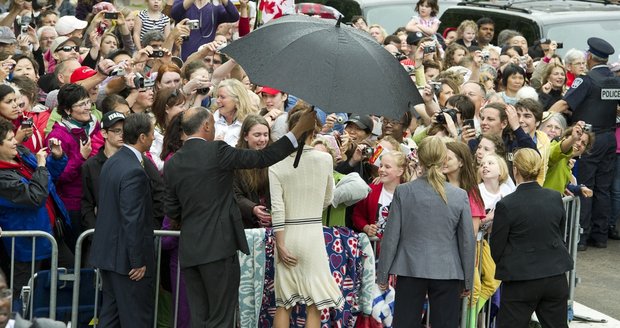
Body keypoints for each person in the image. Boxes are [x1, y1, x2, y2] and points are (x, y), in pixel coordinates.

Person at [163, 106, 316, 326]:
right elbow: (264, 157)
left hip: (190, 251)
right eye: (213, 124)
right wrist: (299, 128)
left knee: (199, 317)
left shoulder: (173, 162)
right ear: (206, 126)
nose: (214, 128)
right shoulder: (217, 151)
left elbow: (173, 210)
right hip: (218, 249)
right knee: (221, 317)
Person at [377, 136, 475, 328]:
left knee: (405, 323)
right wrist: (468, 280)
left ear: (419, 159)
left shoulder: (403, 191)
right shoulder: (459, 195)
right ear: (443, 160)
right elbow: (467, 242)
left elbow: (391, 236)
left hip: (410, 268)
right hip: (448, 271)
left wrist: (382, 274)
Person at [269, 110, 344, 327]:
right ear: (314, 130)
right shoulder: (325, 159)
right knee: (315, 303)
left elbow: (277, 209)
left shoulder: (276, 164)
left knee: (284, 302)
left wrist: (280, 244)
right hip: (312, 234)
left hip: (287, 236)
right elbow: (328, 198)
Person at [490, 148, 574, 328]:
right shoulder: (554, 197)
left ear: (515, 171)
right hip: (554, 276)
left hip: (521, 280)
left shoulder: (506, 205)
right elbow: (559, 234)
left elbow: (496, 248)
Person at [549, 37, 620, 249]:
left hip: (589, 139)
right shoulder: (616, 81)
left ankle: (581, 235)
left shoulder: (586, 80)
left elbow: (564, 103)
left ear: (589, 57)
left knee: (585, 185)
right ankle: (600, 236)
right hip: (609, 137)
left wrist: (544, 117)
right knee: (604, 188)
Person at [89, 113, 157, 327]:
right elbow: (132, 219)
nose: (155, 138)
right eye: (153, 134)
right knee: (136, 319)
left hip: (110, 257)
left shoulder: (113, 161)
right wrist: (137, 261)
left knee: (110, 317)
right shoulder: (133, 170)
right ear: (143, 137)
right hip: (127, 263)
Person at [0, 117, 69, 298]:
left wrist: (56, 157)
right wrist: (40, 166)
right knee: (24, 297)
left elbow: (47, 180)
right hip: (27, 245)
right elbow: (34, 197)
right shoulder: (2, 178)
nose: (16, 141)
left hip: (51, 234)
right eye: (9, 139)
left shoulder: (21, 153)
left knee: (69, 278)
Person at [352, 151, 409, 244]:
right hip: (375, 248)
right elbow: (357, 215)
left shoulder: (408, 193)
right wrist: (366, 227)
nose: (381, 169)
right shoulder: (371, 190)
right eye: (381, 165)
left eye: (387, 167)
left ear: (400, 171)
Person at [233, 115, 273, 228]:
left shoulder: (274, 157)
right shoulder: (235, 160)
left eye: (266, 135)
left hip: (274, 223)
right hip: (246, 225)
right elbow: (234, 194)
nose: (263, 139)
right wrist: (252, 208)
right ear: (245, 136)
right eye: (257, 135)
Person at [170, 0, 240, 61]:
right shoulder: (183, 3)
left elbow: (234, 16)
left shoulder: (215, 8)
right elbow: (174, 13)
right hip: (183, 57)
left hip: (205, 59)